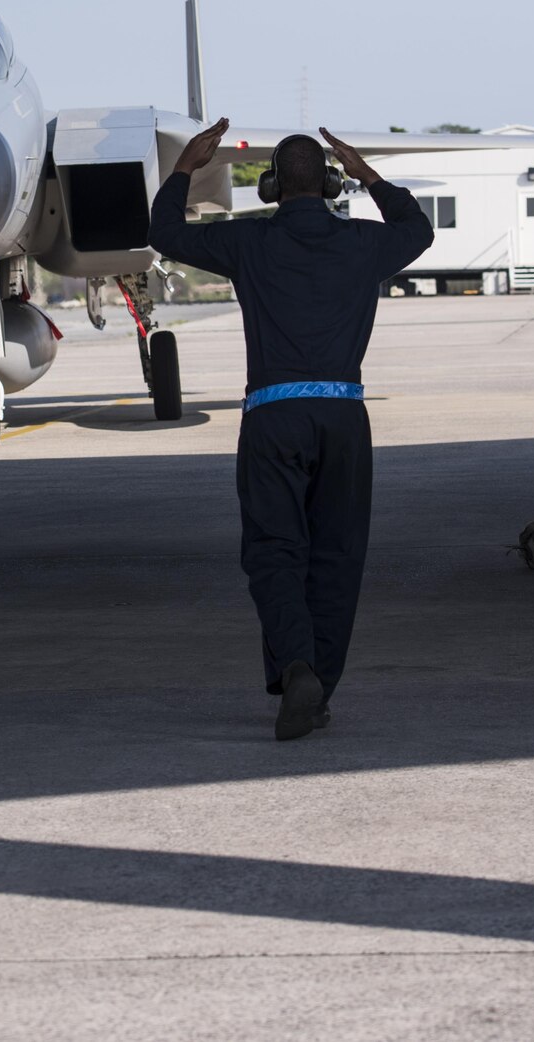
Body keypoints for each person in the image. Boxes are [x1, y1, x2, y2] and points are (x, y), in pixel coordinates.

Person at [149, 120, 434, 741]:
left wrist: (185, 170)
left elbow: (164, 234)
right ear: (334, 184)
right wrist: (371, 177)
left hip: (274, 414)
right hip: (342, 414)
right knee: (336, 555)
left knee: (275, 551)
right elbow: (418, 231)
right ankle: (317, 687)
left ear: (272, 188)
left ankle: (296, 667)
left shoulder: (248, 242)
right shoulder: (364, 243)